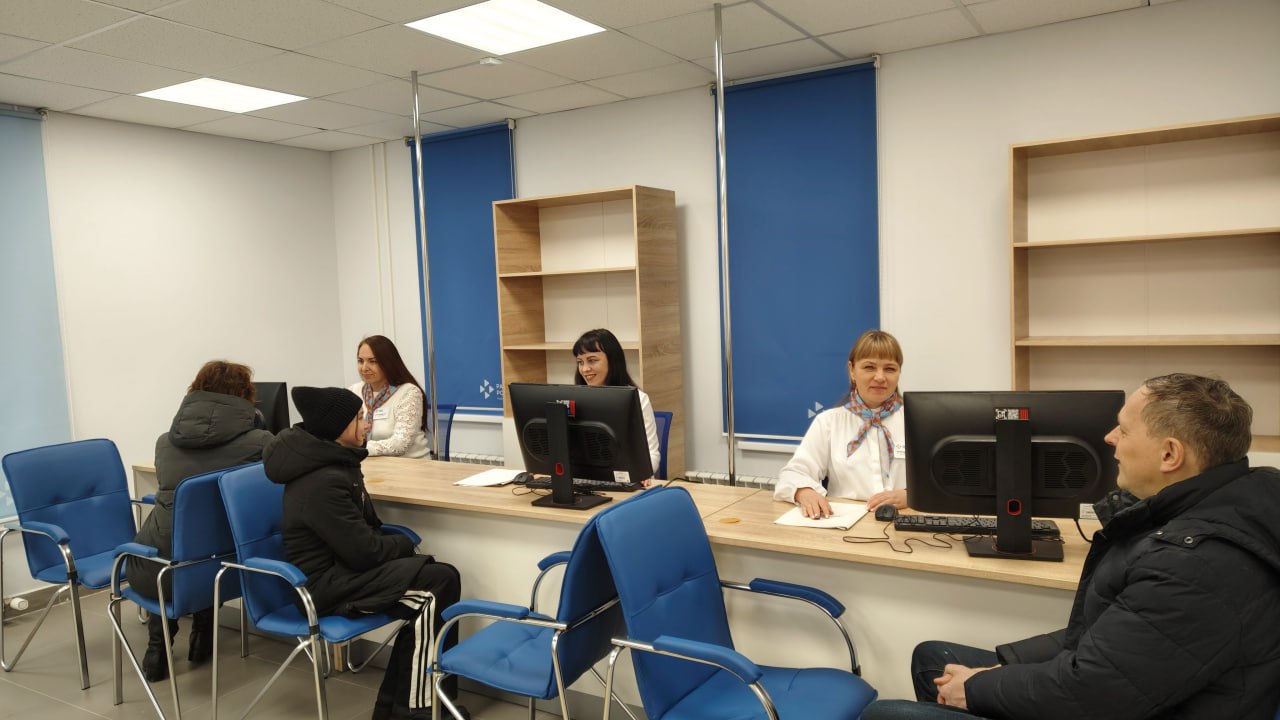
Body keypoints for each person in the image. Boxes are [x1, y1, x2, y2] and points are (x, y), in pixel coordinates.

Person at [862, 373, 1280, 720]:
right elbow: (1109, 635)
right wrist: (1006, 664)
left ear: (1170, 454)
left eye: (1124, 430)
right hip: (1130, 688)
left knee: (886, 715)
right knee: (934, 660)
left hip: (1112, 703)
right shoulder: (1211, 507)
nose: (1109, 438)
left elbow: (1092, 692)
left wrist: (977, 687)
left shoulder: (1194, 563)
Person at [264, 386, 464, 720]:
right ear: (336, 427)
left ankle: (396, 705)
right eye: (359, 418)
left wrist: (394, 546)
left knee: (441, 577)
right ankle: (417, 708)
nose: (367, 424)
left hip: (344, 571)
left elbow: (363, 535)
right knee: (435, 588)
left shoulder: (337, 461)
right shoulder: (322, 481)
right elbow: (365, 553)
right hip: (325, 587)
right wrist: (402, 545)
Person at [129, 360, 274, 682]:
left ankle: (157, 649)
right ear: (245, 396)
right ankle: (202, 635)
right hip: (224, 570)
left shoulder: (164, 443)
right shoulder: (260, 443)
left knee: (172, 542)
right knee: (207, 541)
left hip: (155, 571)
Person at [773, 329, 907, 519]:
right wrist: (804, 491)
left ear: (899, 372)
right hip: (846, 524)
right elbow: (792, 473)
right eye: (869, 367)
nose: (880, 377)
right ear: (852, 370)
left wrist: (911, 495)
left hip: (905, 520)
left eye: (890, 369)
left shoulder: (916, 422)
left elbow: (940, 480)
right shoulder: (828, 422)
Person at [572, 328, 662, 476]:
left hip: (627, 479)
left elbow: (652, 454)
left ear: (613, 361)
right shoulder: (575, 399)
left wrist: (641, 473)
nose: (585, 369)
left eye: (592, 360)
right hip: (585, 478)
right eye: (580, 362)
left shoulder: (638, 399)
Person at [349, 335, 431, 458]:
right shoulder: (354, 390)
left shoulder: (409, 392)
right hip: (369, 462)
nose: (364, 368)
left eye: (373, 361)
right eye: (360, 361)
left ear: (388, 362)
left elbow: (400, 444)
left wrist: (360, 448)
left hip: (410, 464)